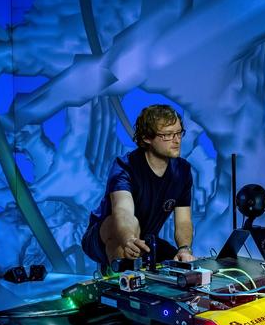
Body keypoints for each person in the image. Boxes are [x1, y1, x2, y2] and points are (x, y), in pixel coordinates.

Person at [82, 104, 196, 270]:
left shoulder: (182, 170)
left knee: (181, 265)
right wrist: (128, 239)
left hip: (146, 237)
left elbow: (184, 221)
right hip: (103, 236)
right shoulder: (125, 166)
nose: (176, 140)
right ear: (146, 138)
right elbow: (123, 212)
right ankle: (116, 279)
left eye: (179, 133)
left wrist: (184, 248)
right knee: (123, 233)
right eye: (167, 135)